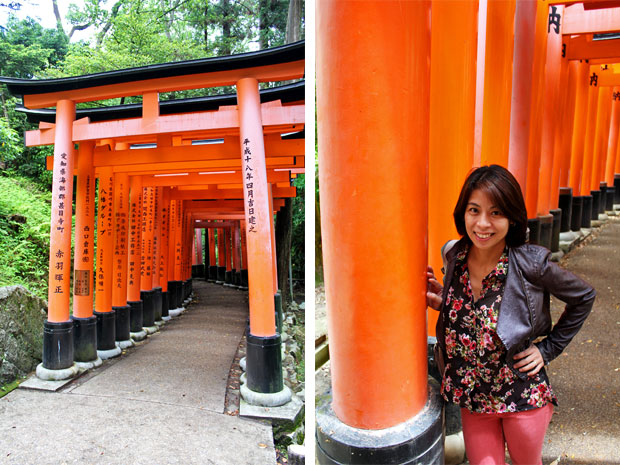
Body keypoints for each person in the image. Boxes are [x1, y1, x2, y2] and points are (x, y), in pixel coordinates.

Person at [426, 165, 596, 465]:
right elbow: (475, 312)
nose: (482, 223)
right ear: (462, 212)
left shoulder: (530, 263)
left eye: (496, 213)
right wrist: (447, 302)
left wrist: (548, 349)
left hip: (521, 396)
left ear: (512, 217)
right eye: (474, 210)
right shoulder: (455, 256)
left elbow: (583, 296)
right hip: (475, 400)